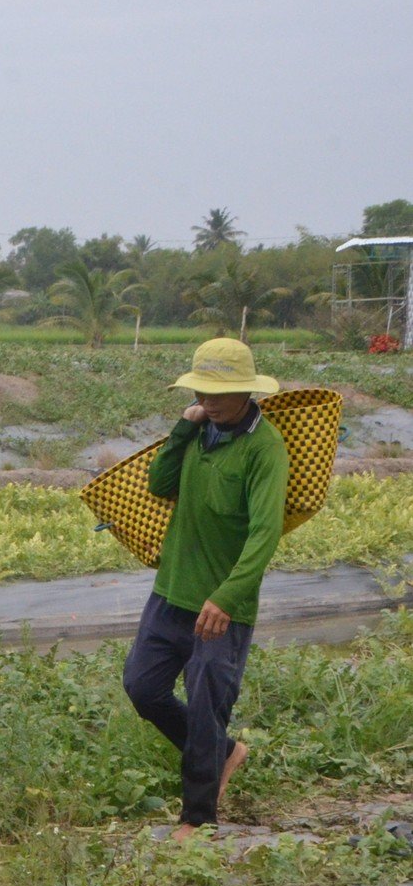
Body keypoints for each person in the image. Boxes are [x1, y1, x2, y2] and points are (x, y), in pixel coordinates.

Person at [123, 337, 289, 842]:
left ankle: (197, 819)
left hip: (222, 606)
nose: (209, 401)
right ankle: (222, 750)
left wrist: (228, 597)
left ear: (245, 391)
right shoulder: (199, 432)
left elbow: (264, 535)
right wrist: (182, 427)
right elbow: (158, 482)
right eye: (202, 391)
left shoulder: (265, 449)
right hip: (172, 590)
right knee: (143, 687)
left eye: (219, 393)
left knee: (204, 704)